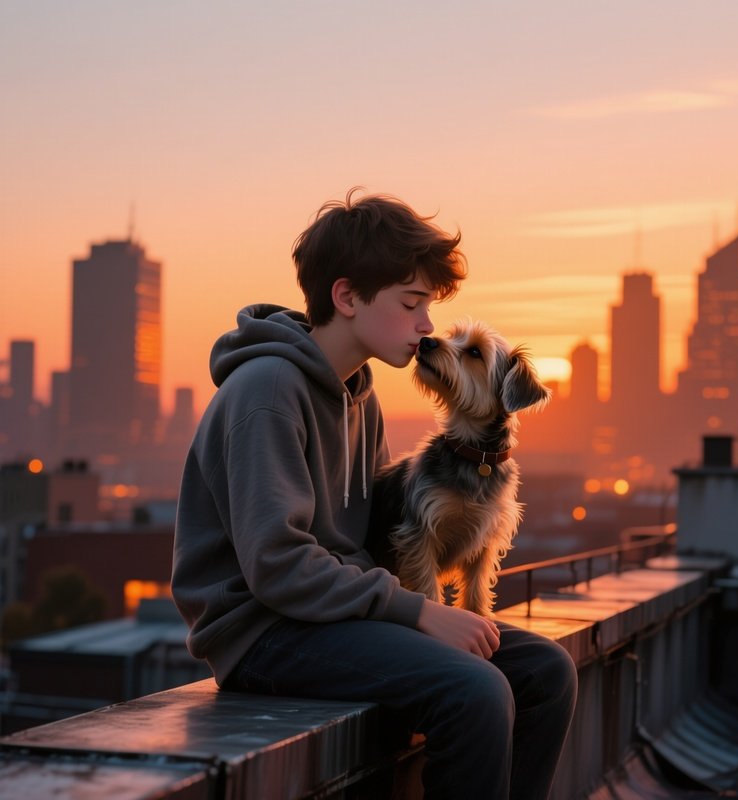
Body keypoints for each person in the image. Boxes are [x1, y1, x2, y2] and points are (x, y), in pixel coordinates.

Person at [171, 188, 577, 799]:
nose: (426, 325)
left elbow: (372, 535)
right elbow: (277, 565)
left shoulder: (359, 394)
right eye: (412, 303)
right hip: (264, 634)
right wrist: (419, 612)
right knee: (475, 689)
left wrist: (421, 607)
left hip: (336, 615)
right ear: (347, 297)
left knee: (546, 671)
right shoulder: (266, 391)